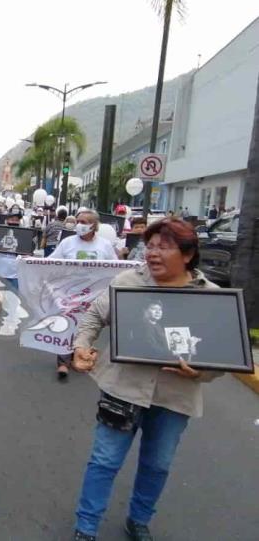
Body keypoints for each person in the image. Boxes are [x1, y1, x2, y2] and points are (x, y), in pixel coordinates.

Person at [70, 217, 223, 541]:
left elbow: (222, 354)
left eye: (164, 247)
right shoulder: (127, 281)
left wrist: (201, 372)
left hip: (175, 397)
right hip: (122, 389)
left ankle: (139, 520)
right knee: (104, 460)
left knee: (158, 465)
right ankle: (86, 527)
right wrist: (82, 346)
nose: (152, 253)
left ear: (187, 254)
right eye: (149, 246)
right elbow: (95, 315)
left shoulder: (210, 297)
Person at [49, 210, 118, 380]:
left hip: (94, 294)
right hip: (70, 293)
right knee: (66, 326)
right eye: (78, 221)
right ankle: (63, 362)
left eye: (84, 221)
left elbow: (116, 266)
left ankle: (80, 356)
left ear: (94, 225)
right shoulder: (67, 243)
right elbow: (52, 261)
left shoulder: (104, 245)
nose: (79, 224)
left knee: (86, 327)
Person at [0, 208, 24, 291]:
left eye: (17, 220)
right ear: (7, 220)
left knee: (14, 300)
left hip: (15, 274)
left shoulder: (23, 234)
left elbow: (26, 252)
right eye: (12, 219)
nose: (14, 222)